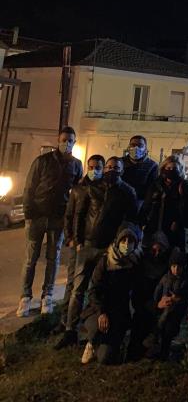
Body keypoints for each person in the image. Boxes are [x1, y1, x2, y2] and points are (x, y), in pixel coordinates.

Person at [56, 155, 137, 348]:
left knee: (103, 288)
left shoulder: (127, 192)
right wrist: (77, 240)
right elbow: (80, 214)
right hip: (87, 246)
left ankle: (99, 326)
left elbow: (130, 220)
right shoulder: (93, 188)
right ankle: (70, 330)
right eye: (108, 167)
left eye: (115, 167)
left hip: (108, 250)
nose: (111, 170)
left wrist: (118, 245)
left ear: (121, 170)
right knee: (78, 289)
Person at [17, 126, 83, 318]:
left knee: (52, 260)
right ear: (58, 140)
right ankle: (25, 297)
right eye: (64, 139)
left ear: (74, 142)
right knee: (30, 260)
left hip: (58, 219)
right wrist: (29, 214)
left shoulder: (76, 165)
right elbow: (29, 187)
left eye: (70, 140)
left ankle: (48, 295)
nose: (67, 143)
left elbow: (77, 192)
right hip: (37, 217)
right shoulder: (42, 161)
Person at [53, 154, 105, 335]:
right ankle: (65, 320)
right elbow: (69, 215)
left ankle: (85, 319)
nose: (94, 170)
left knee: (91, 284)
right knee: (72, 284)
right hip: (78, 243)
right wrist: (70, 238)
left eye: (98, 167)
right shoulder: (78, 189)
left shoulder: (104, 189)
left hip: (93, 243)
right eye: (91, 167)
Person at [79, 222, 143, 365]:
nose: (127, 244)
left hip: (119, 314)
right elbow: (93, 291)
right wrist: (101, 312)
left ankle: (112, 343)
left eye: (130, 241)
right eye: (123, 240)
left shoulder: (134, 263)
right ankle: (91, 342)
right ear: (117, 241)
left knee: (105, 358)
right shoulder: (105, 262)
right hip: (98, 311)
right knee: (96, 329)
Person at [129, 230, 171, 360]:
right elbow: (137, 298)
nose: (157, 254)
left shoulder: (169, 268)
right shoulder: (142, 266)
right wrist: (155, 305)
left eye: (160, 250)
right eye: (154, 250)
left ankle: (161, 349)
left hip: (163, 310)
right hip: (145, 308)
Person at [141, 155, 188, 249]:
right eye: (168, 168)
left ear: (180, 169)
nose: (171, 170)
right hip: (153, 227)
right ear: (163, 168)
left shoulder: (184, 186)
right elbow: (147, 204)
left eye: (175, 168)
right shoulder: (156, 184)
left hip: (173, 230)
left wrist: (178, 221)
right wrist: (142, 221)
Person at [152, 247, 188, 360]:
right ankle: (157, 347)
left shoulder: (186, 281)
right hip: (163, 309)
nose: (176, 269)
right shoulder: (166, 278)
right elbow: (158, 290)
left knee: (169, 330)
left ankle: (164, 353)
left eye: (179, 267)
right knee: (160, 326)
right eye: (174, 266)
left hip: (177, 311)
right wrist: (156, 303)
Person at [121, 135, 159, 212]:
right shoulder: (120, 162)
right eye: (133, 145)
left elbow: (151, 188)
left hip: (139, 203)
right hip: (120, 201)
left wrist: (145, 207)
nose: (136, 148)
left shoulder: (152, 165)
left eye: (140, 145)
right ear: (128, 147)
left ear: (145, 149)